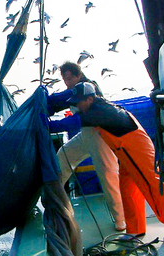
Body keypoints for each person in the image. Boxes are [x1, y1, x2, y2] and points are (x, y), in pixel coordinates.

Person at [66, 82, 164, 241]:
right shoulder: (98, 106)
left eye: (79, 102)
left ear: (89, 99)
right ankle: (135, 230)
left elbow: (70, 123)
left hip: (136, 151)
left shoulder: (98, 111)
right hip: (126, 154)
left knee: (152, 186)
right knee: (128, 189)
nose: (77, 105)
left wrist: (45, 123)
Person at [46, 61, 126, 231]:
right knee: (63, 157)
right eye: (64, 79)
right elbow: (58, 101)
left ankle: (121, 221)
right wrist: (44, 101)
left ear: (78, 75)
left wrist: (51, 125)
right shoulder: (74, 91)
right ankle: (57, 202)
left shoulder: (89, 88)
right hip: (85, 135)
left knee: (108, 176)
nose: (67, 82)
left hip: (100, 136)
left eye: (69, 78)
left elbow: (76, 118)